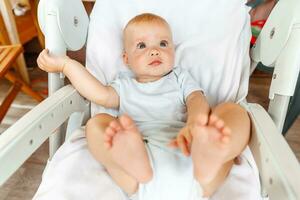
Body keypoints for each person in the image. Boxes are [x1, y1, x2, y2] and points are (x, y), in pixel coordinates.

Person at [37, 13, 250, 198]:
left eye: (163, 44)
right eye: (142, 46)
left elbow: (197, 100)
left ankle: (212, 156)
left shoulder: (179, 78)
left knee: (233, 111)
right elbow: (98, 94)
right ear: (126, 59)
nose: (155, 51)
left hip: (190, 147)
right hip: (138, 156)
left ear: (173, 52)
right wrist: (67, 65)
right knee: (98, 122)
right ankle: (130, 161)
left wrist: (195, 123)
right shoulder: (123, 85)